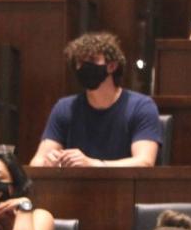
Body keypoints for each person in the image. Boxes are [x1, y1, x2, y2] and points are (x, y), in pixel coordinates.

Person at [30, 32, 162, 168]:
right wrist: (48, 161)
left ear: (112, 66)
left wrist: (93, 164)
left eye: (92, 60)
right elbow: (36, 162)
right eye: (80, 62)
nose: (84, 67)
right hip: (74, 188)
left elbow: (144, 162)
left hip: (123, 188)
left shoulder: (141, 106)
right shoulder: (65, 107)